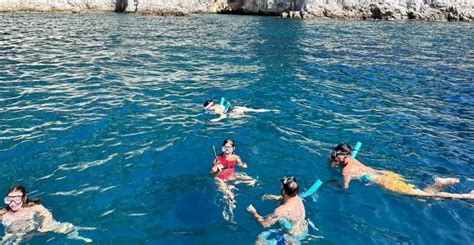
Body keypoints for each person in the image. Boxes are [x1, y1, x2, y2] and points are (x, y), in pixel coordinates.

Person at [329, 143, 474, 199]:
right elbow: (338, 163)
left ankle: (466, 196)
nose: (334, 154)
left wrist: (334, 182)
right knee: (421, 198)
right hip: (385, 174)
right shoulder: (352, 160)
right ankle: (439, 183)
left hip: (385, 182)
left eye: (336, 153)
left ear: (342, 155)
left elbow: (345, 186)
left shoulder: (346, 171)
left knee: (423, 195)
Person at [0, 185, 93, 243]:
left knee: (66, 227)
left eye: (16, 199)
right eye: (9, 199)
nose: (12, 203)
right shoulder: (4, 212)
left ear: (24, 198)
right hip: (16, 232)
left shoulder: (33, 207)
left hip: (36, 227)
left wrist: (44, 225)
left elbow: (47, 214)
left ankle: (78, 237)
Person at [247, 176, 308, 244]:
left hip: (291, 238)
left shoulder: (281, 210)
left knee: (259, 241)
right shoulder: (298, 198)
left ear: (284, 192)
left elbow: (264, 224)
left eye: (282, 186)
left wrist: (253, 211)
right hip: (303, 230)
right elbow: (286, 198)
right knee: (282, 220)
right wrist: (274, 197)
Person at [210, 139, 257, 222]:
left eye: (229, 148)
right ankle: (229, 213)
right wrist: (214, 170)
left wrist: (243, 165)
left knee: (252, 180)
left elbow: (240, 164)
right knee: (230, 195)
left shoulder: (236, 157)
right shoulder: (217, 159)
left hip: (232, 176)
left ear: (233, 149)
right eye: (225, 148)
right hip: (220, 179)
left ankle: (235, 186)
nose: (227, 150)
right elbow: (212, 173)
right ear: (223, 148)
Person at [203, 99, 275, 122]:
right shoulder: (218, 105)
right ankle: (273, 110)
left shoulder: (216, 109)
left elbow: (223, 116)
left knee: (248, 117)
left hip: (233, 112)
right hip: (236, 107)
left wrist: (215, 120)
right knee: (256, 110)